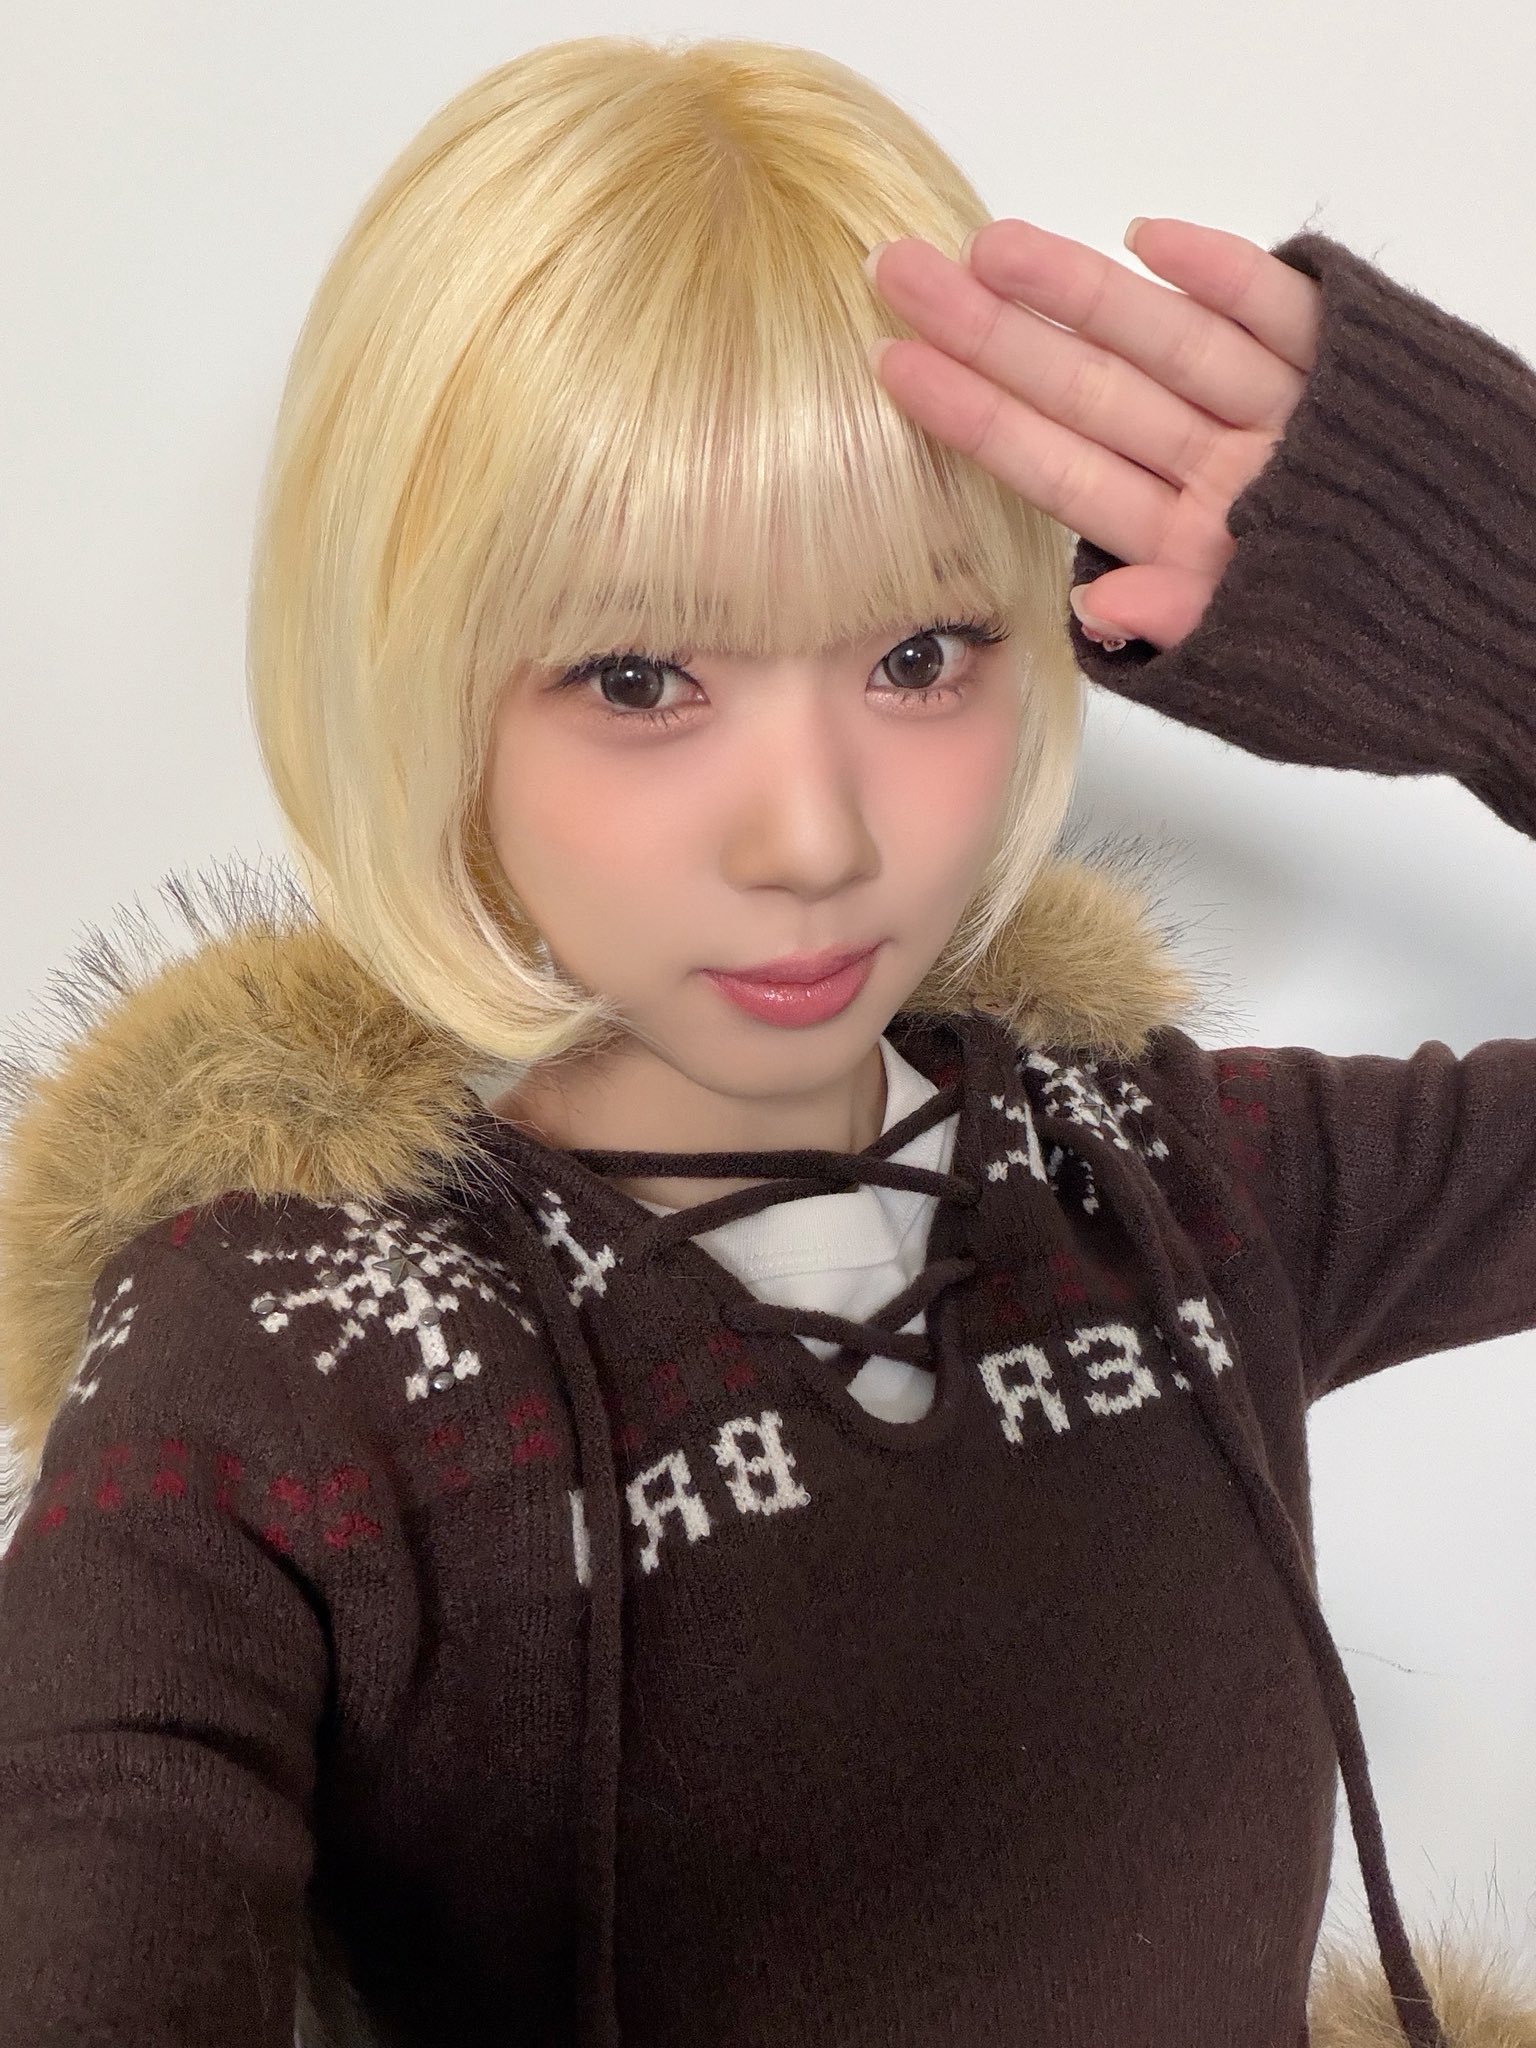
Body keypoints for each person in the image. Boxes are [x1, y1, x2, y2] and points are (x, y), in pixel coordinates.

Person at [0, 33, 1532, 2048]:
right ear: (425, 689)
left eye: (921, 652)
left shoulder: (1167, 1183)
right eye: (640, 678)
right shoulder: (279, 1367)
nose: (813, 839)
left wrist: (1509, 621)